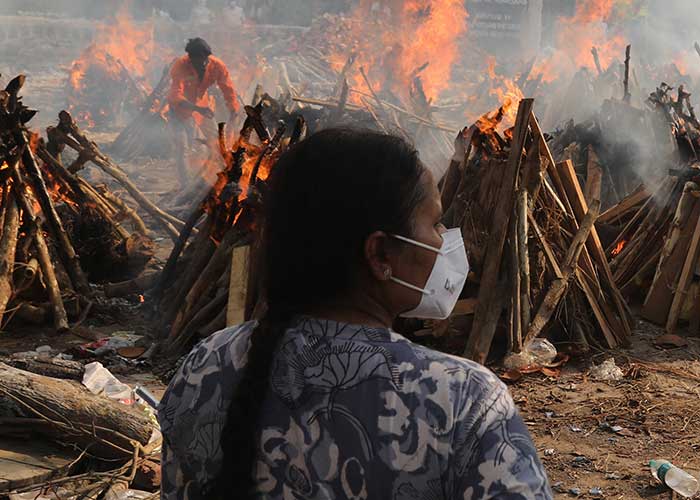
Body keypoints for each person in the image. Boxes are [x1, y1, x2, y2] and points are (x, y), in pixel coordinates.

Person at [158, 129, 552, 499]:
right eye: (434, 222)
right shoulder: (460, 399)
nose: (443, 239)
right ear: (380, 254)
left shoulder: (205, 368)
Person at [167, 37, 240, 187]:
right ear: (190, 58)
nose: (202, 64)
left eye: (204, 60)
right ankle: (185, 186)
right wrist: (197, 109)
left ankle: (224, 176)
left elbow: (228, 89)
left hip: (203, 108)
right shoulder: (180, 65)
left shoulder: (217, 66)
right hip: (180, 111)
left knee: (217, 142)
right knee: (182, 148)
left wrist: (233, 109)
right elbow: (175, 95)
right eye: (198, 61)